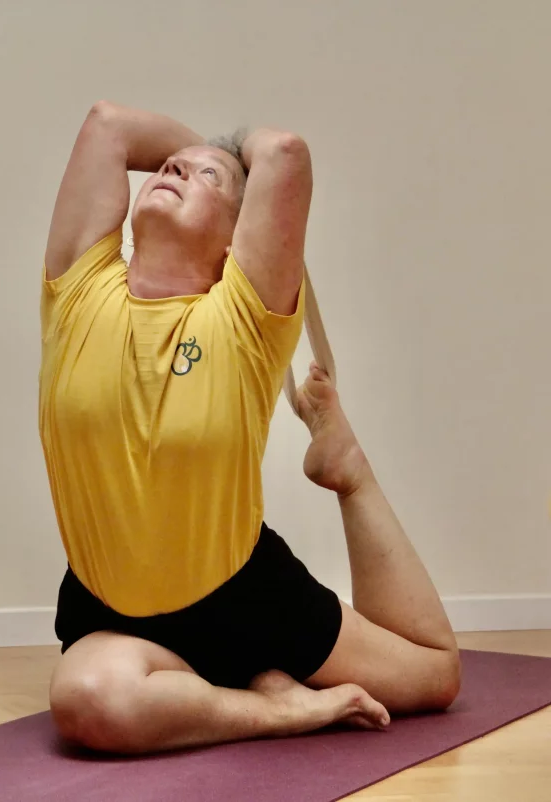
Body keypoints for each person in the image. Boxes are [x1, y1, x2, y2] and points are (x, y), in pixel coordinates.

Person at [38, 101, 461, 755]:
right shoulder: (76, 292)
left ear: (237, 242)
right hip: (104, 600)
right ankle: (276, 706)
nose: (175, 165)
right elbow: (107, 126)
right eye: (173, 167)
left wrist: (234, 161)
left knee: (433, 677)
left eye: (209, 180)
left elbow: (284, 153)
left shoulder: (243, 319)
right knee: (89, 703)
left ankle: (348, 467)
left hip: (241, 594)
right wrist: (211, 158)